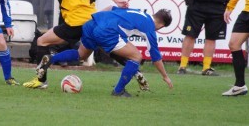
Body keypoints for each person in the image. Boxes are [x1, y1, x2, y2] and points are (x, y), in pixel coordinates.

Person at [0, 0, 136, 90]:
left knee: (42, 41)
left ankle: (41, 80)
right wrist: (116, 0)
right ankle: (134, 70)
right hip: (92, 21)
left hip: (74, 23)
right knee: (98, 49)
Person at [36, 7, 173, 97]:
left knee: (81, 55)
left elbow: (111, 8)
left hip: (94, 22)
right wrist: (165, 76)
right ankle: (118, 91)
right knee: (137, 56)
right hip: (107, 31)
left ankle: (51, 58)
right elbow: (156, 58)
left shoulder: (136, 12)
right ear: (161, 25)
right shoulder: (150, 27)